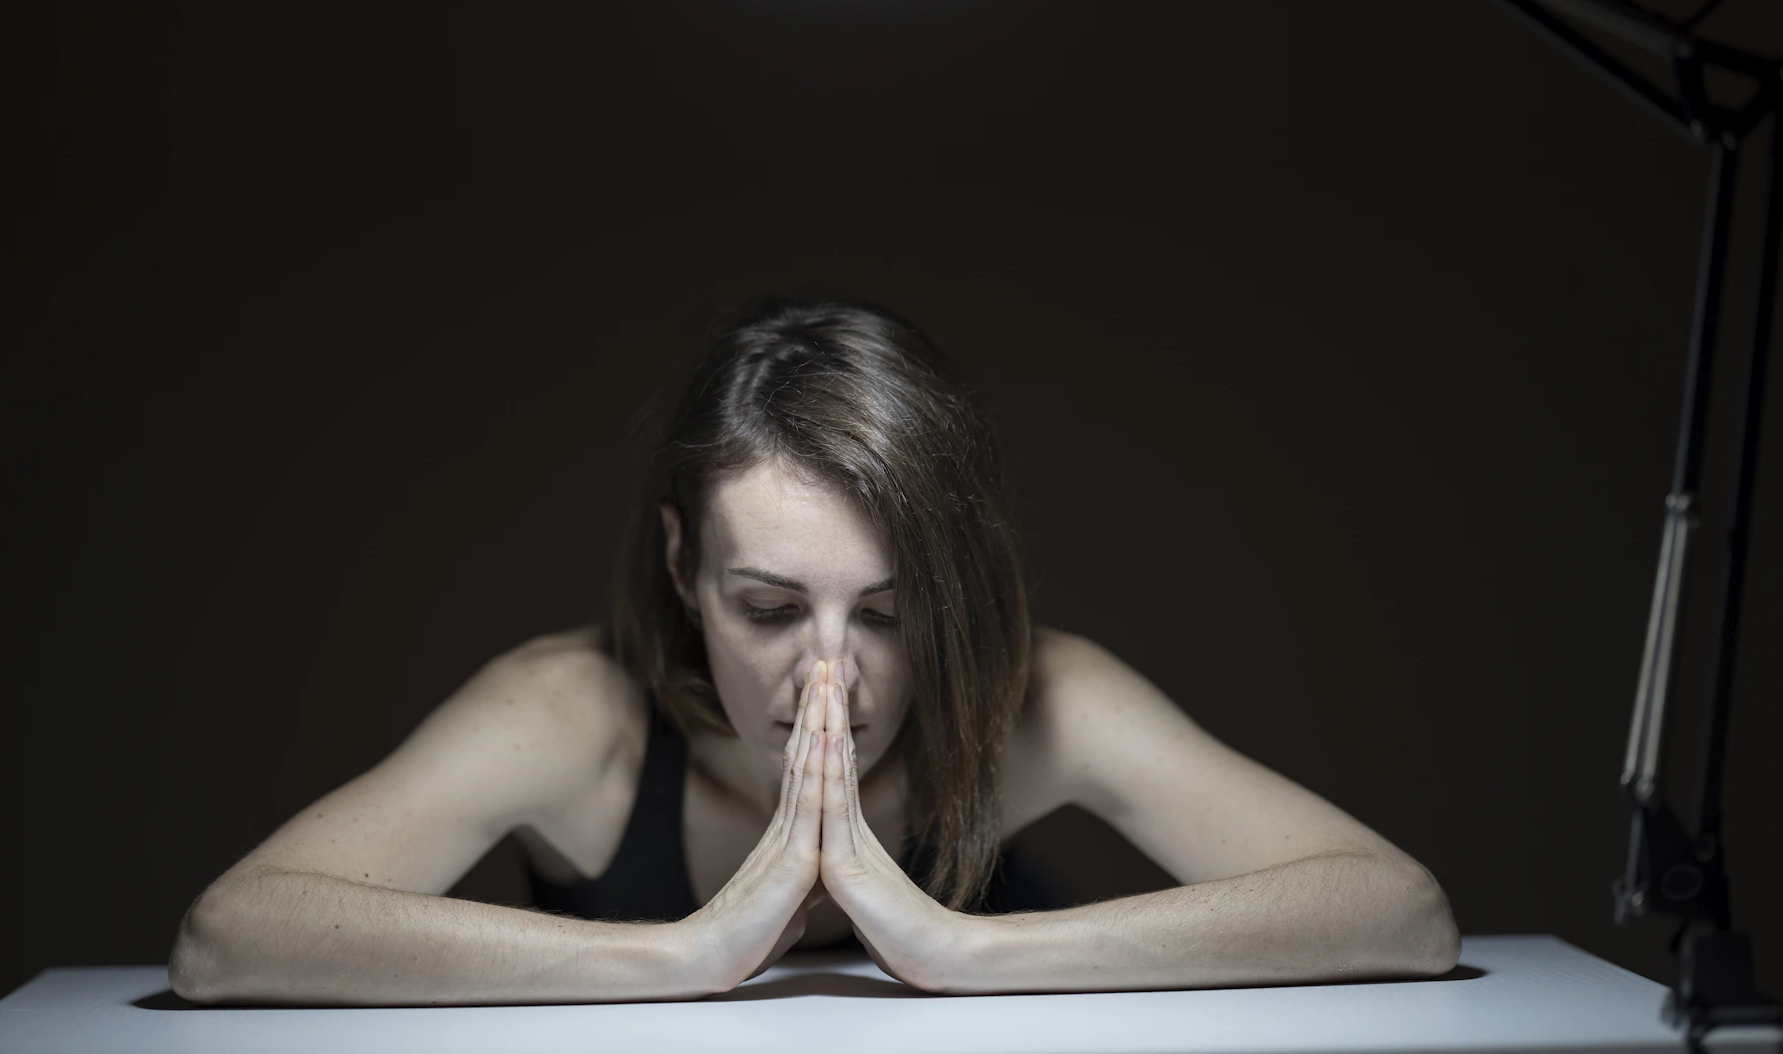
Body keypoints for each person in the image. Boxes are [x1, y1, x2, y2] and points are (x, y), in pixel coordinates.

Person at [167, 298, 1460, 1005]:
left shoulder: (1036, 700)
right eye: (771, 608)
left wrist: (963, 950)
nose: (829, 674)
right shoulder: (574, 714)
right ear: (681, 569)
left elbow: (1398, 914)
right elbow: (232, 939)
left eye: (889, 612)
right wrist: (685, 955)